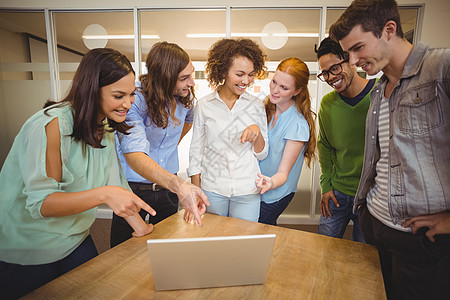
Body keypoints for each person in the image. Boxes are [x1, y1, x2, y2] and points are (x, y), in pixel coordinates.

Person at [0, 48, 154, 299]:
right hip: (29, 245)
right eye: (118, 95)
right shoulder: (51, 125)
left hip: (74, 237)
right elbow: (43, 204)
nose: (128, 103)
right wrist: (104, 194)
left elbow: (117, 185)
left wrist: (142, 229)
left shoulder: (103, 125)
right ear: (92, 90)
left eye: (131, 95)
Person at [330, 0, 450, 299]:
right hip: (376, 224)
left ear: (389, 30)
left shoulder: (441, 68)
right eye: (349, 53)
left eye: (358, 47)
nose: (354, 60)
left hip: (420, 239)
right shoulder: (378, 93)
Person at [111, 42, 209, 247]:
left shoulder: (186, 99)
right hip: (133, 189)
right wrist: (180, 185)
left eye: (191, 75)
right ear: (164, 77)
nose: (191, 82)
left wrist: (165, 149)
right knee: (122, 250)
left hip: (167, 191)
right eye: (184, 78)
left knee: (165, 248)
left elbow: (186, 125)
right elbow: (134, 155)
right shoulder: (134, 100)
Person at [187, 38, 268, 223]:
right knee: (212, 244)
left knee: (245, 245)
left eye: (250, 74)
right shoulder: (204, 105)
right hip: (212, 189)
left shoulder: (256, 106)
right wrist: (196, 191)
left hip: (247, 191)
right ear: (223, 71)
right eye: (240, 74)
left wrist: (257, 133)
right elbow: (196, 151)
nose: (246, 81)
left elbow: (263, 154)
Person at [315, 37, 377, 242]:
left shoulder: (379, 96)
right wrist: (326, 186)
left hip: (371, 197)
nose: (330, 77)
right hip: (337, 193)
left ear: (349, 60)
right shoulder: (328, 103)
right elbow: (324, 145)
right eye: (324, 73)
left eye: (334, 68)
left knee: (364, 259)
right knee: (323, 250)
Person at [255, 57, 316, 226]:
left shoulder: (297, 124)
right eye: (274, 82)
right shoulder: (266, 108)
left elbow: (282, 173)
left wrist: (270, 182)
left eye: (284, 88)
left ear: (297, 91)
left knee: (256, 230)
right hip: (258, 188)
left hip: (276, 192)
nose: (275, 90)